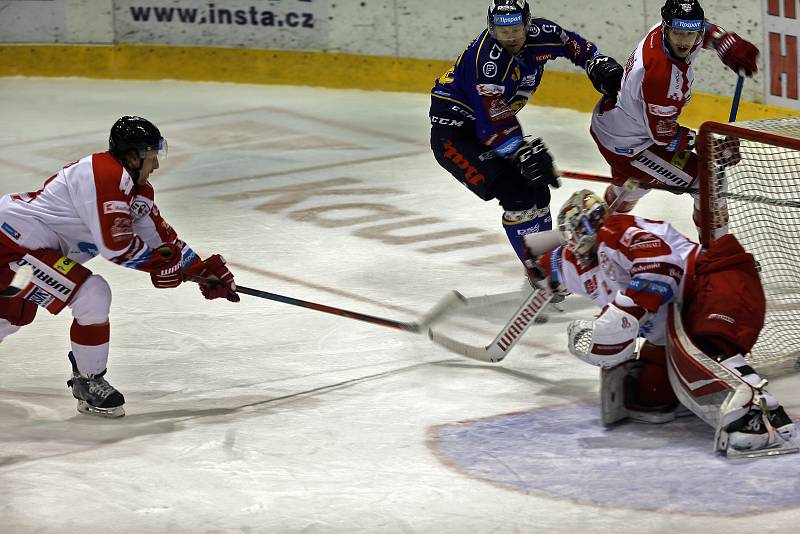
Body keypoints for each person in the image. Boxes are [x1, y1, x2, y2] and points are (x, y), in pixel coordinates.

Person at [524, 189, 797, 456]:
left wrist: (625, 313)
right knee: (649, 395)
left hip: (715, 282)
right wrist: (536, 268)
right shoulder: (579, 263)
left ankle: (767, 421)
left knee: (708, 351)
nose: (579, 235)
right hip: (678, 317)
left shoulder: (615, 230)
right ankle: (691, 398)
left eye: (584, 225)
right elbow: (546, 264)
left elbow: (661, 264)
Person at [0, 116, 239, 418]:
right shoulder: (104, 175)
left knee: (11, 316)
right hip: (12, 248)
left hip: (24, 254)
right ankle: (88, 381)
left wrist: (202, 270)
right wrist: (160, 267)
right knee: (92, 294)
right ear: (132, 156)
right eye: (151, 157)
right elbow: (117, 247)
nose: (156, 166)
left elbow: (161, 241)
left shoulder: (136, 191)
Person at [430, 0, 624, 267]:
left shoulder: (542, 34)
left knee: (538, 190)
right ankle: (539, 270)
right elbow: (491, 120)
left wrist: (596, 61)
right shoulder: (485, 62)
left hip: (490, 129)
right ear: (491, 28)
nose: (509, 37)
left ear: (528, 25)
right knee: (516, 196)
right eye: (501, 30)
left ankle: (551, 262)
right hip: (455, 136)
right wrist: (519, 150)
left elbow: (572, 45)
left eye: (515, 29)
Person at [590, 0, 759, 241]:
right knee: (710, 182)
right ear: (667, 29)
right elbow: (664, 136)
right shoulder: (662, 77)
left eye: (690, 34)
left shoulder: (665, 30)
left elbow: (706, 30)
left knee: (633, 185)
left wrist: (724, 42)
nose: (683, 41)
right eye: (678, 33)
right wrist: (710, 146)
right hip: (631, 147)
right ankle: (718, 256)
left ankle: (593, 233)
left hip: (616, 124)